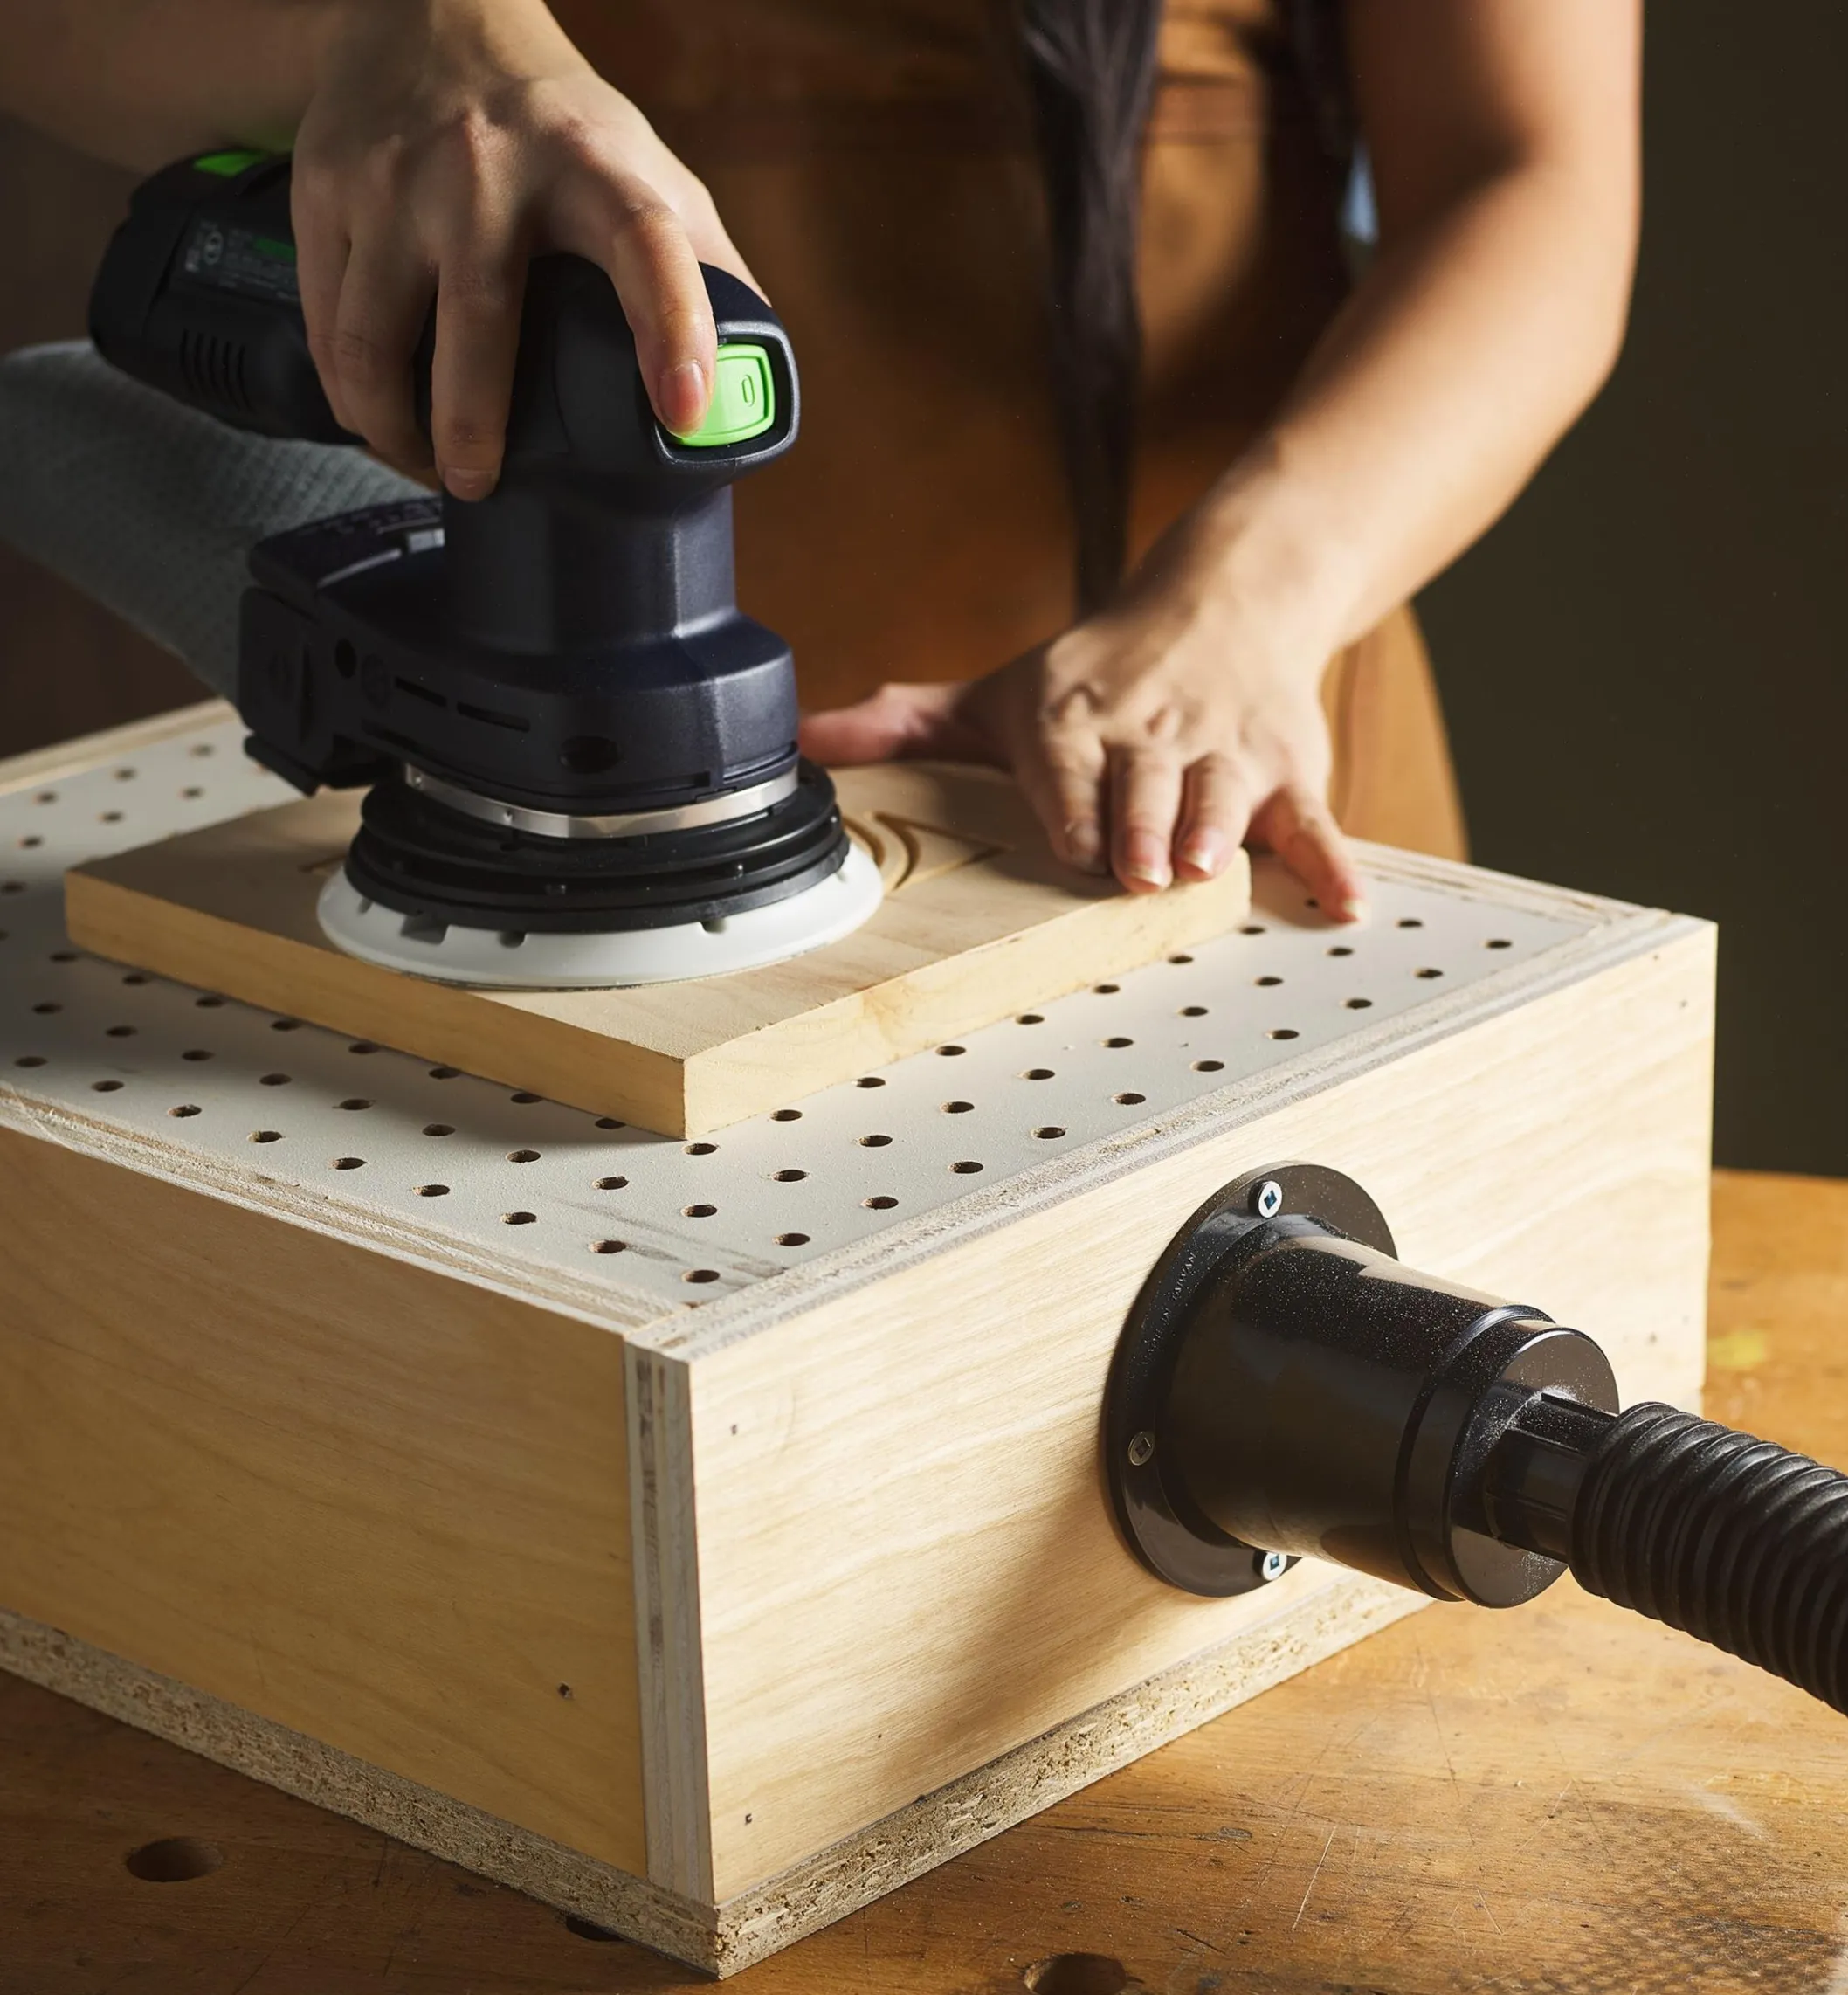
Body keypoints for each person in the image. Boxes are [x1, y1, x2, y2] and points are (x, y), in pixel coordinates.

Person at [0, 0, 1639, 917]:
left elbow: (1532, 170)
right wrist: (419, 31)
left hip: (1210, 713)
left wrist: (1240, 609)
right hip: (425, 803)